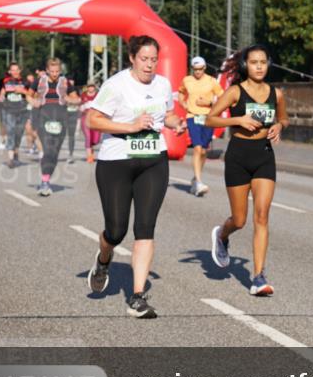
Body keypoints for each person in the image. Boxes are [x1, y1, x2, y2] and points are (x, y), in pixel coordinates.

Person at [85, 35, 186, 318]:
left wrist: (175, 122)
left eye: (154, 59)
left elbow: (165, 114)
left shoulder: (163, 84)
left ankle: (137, 296)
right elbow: (93, 119)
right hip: (116, 160)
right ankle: (104, 258)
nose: (150, 65)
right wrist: (129, 126)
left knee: (145, 227)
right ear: (132, 58)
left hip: (153, 160)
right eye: (144, 59)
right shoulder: (116, 85)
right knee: (116, 231)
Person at [205, 45, 288, 296]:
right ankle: (222, 234)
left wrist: (279, 126)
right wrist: (237, 120)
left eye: (263, 62)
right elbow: (210, 118)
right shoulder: (234, 92)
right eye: (254, 62)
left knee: (261, 216)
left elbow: (284, 118)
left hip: (264, 155)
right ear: (245, 66)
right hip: (238, 155)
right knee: (239, 220)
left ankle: (258, 276)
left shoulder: (277, 93)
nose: (259, 66)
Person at [32, 58, 80, 196]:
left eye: (57, 71)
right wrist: (34, 101)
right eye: (52, 71)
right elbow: (28, 95)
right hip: (44, 118)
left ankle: (46, 179)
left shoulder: (65, 82)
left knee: (55, 153)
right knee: (48, 150)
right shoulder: (39, 81)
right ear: (47, 70)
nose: (54, 74)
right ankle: (45, 182)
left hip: (60, 120)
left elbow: (76, 99)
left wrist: (69, 99)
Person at [178, 55, 224, 196]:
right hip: (192, 117)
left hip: (207, 118)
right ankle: (198, 182)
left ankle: (195, 178)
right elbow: (180, 93)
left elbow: (223, 98)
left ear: (204, 68)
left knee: (204, 151)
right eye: (195, 69)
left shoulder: (212, 81)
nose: (197, 72)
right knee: (197, 148)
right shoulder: (187, 80)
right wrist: (184, 104)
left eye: (200, 69)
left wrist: (210, 104)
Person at [0, 62, 31, 168]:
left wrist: (23, 91)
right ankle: (11, 159)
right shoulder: (5, 81)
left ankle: (16, 153)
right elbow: (2, 92)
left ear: (20, 70)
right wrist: (2, 96)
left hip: (22, 110)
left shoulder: (26, 82)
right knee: (11, 131)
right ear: (9, 71)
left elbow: (32, 94)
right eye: (12, 70)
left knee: (18, 133)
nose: (15, 72)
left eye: (17, 69)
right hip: (9, 110)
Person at [79, 83, 102, 163]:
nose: (91, 88)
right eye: (89, 86)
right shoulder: (83, 95)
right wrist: (83, 106)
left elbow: (103, 105)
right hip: (85, 117)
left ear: (94, 87)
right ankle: (89, 156)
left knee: (96, 139)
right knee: (88, 137)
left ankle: (91, 147)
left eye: (92, 86)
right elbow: (80, 104)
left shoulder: (99, 95)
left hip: (95, 118)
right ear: (87, 87)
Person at [63, 76, 81, 163]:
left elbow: (79, 100)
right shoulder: (60, 90)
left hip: (73, 113)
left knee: (71, 135)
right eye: (68, 81)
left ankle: (70, 154)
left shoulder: (75, 90)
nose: (70, 83)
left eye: (71, 81)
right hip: (62, 114)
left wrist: (71, 100)